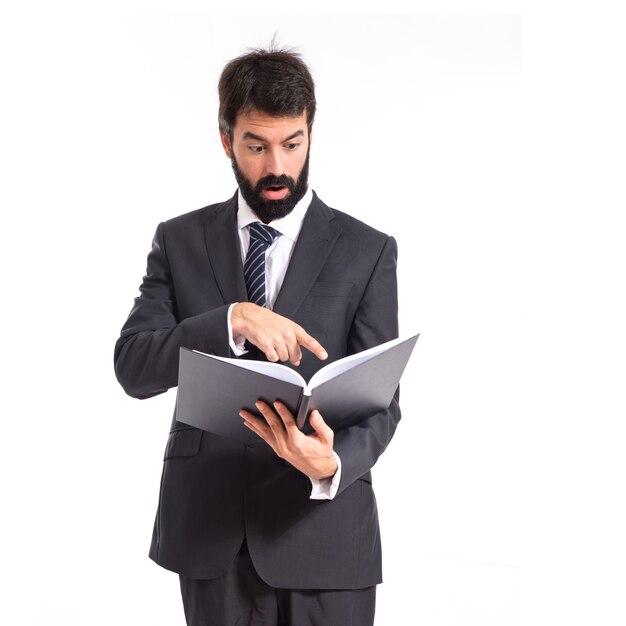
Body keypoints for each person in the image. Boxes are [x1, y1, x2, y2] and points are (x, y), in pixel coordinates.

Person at [114, 44, 400, 626]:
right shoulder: (179, 240)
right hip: (212, 537)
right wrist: (230, 320)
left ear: (310, 135)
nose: (277, 166)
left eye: (292, 144)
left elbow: (383, 402)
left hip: (325, 533)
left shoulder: (367, 250)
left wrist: (331, 463)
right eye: (256, 145)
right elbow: (133, 366)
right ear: (226, 141)